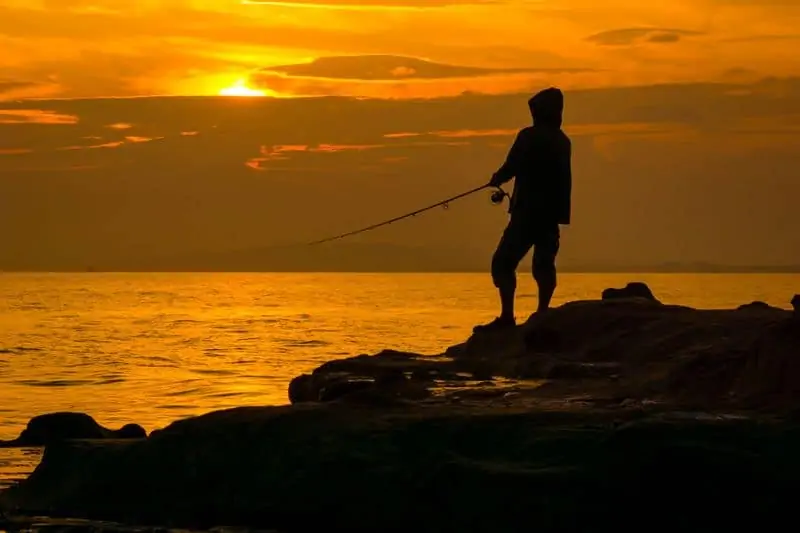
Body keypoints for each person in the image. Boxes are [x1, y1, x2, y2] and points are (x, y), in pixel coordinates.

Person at [474, 87, 572, 333]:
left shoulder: (528, 136)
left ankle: (508, 317)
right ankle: (542, 313)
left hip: (527, 213)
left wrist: (497, 178)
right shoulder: (563, 141)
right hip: (551, 215)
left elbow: (512, 165)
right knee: (544, 264)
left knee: (503, 263)